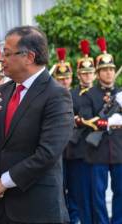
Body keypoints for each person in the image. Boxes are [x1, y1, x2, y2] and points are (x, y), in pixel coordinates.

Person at [0, 26, 73, 223]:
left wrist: (5, 181)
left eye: (7, 53)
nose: (1, 59)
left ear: (29, 57)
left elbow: (48, 153)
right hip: (1, 211)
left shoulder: (56, 95)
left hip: (38, 209)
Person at [78, 37, 122, 224]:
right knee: (98, 195)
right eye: (104, 70)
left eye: (111, 69)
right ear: (97, 73)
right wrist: (110, 122)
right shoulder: (88, 95)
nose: (109, 73)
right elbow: (87, 120)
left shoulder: (120, 93)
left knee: (121, 192)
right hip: (97, 151)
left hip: (119, 150)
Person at [64, 40, 96, 224]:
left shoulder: (101, 94)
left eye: (90, 73)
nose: (87, 77)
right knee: (79, 193)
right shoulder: (72, 95)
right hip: (77, 151)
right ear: (78, 75)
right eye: (84, 73)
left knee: (96, 194)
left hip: (98, 151)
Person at [52, 47, 80, 224]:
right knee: (59, 189)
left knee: (75, 189)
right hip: (56, 152)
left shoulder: (78, 96)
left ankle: (75, 219)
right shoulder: (51, 97)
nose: (64, 81)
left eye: (67, 78)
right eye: (60, 78)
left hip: (75, 150)